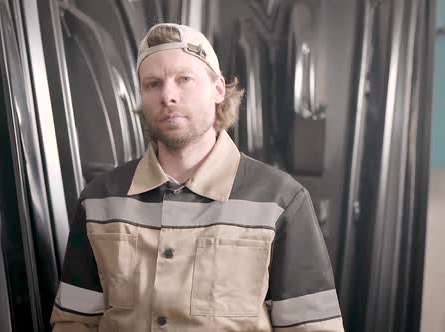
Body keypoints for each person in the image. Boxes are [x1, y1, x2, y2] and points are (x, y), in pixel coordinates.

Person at [50, 23, 344, 332]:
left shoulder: (281, 200)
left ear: (218, 89)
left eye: (184, 79)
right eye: (152, 84)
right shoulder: (99, 201)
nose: (168, 95)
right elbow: (74, 323)